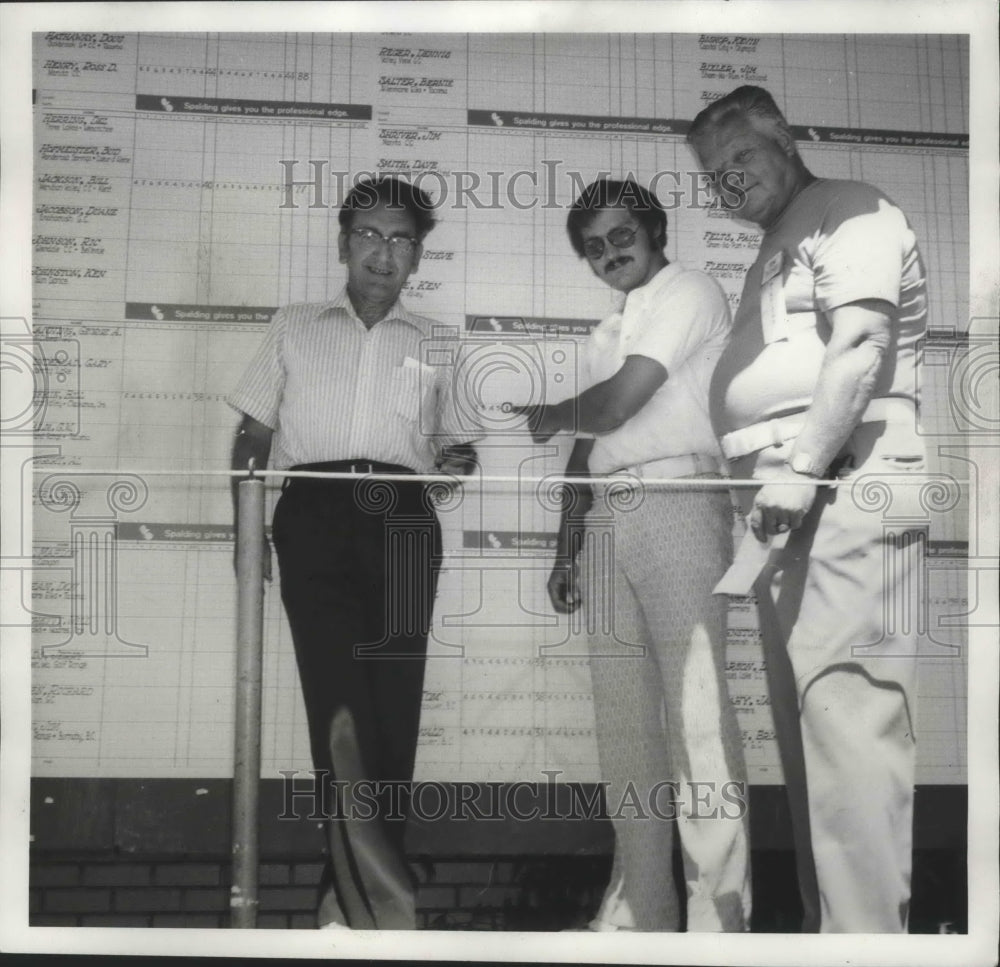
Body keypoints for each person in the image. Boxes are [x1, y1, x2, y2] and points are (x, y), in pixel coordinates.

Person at [688, 86, 928, 933]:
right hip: (793, 501)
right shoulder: (776, 242)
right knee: (810, 747)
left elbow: (861, 344)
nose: (727, 182)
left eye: (740, 158)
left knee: (849, 734)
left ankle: (868, 948)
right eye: (714, 175)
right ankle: (834, 943)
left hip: (840, 482)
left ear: (784, 136)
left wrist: (799, 465)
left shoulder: (849, 209)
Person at [227, 175, 477, 930]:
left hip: (403, 522)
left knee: (392, 714)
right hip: (316, 514)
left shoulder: (437, 341)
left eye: (402, 238)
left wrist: (456, 462)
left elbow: (452, 446)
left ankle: (351, 905)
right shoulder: (295, 324)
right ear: (344, 244)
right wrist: (244, 538)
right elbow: (252, 438)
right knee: (339, 711)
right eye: (370, 234)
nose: (384, 251)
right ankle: (377, 907)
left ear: (417, 255)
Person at [514, 179, 751, 932]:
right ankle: (640, 905)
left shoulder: (691, 289)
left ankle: (722, 917)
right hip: (610, 520)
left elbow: (615, 405)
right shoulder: (611, 327)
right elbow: (593, 445)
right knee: (625, 728)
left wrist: (549, 412)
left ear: (654, 229)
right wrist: (566, 544)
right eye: (593, 247)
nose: (610, 253)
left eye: (621, 235)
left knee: (698, 720)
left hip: (681, 505)